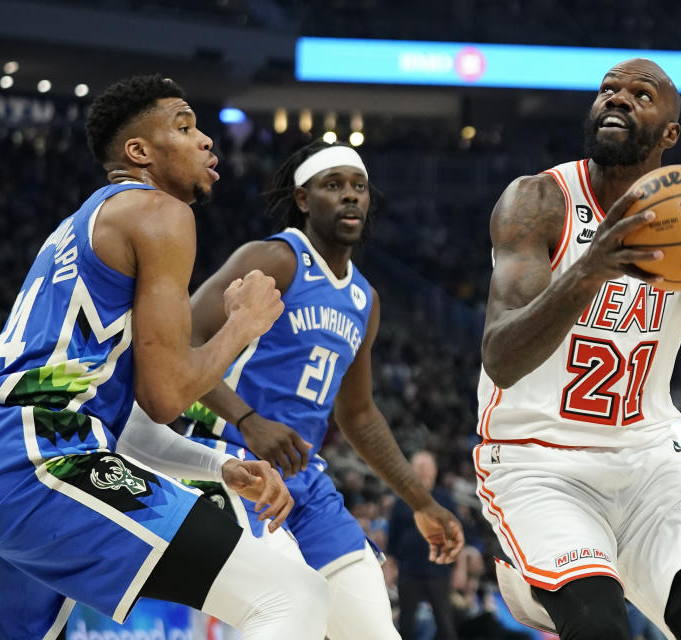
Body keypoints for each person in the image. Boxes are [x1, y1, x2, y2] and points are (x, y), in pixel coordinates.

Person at [0, 74, 329, 639]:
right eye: (184, 127)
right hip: (32, 455)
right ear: (138, 153)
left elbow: (118, 425)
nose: (207, 139)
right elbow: (165, 396)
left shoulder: (80, 225)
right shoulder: (159, 212)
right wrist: (244, 323)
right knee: (289, 595)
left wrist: (218, 466)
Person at [474, 58, 681, 640]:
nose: (617, 99)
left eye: (641, 94)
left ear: (670, 133)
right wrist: (592, 265)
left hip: (649, 465)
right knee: (598, 623)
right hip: (540, 462)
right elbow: (501, 357)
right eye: (608, 90)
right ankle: (538, 584)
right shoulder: (539, 201)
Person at [128, 139, 465, 639]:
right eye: (334, 186)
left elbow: (360, 416)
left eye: (359, 187)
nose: (350, 197)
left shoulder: (364, 299)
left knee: (376, 631)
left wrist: (421, 501)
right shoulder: (276, 259)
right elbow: (176, 343)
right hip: (234, 466)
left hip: (307, 482)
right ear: (304, 199)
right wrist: (248, 419)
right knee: (291, 614)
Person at [389, 450, 459, 640]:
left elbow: (456, 536)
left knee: (445, 623)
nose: (423, 472)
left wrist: (456, 567)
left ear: (435, 471)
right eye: (419, 467)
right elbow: (392, 540)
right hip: (408, 571)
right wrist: (391, 568)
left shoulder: (445, 499)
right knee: (407, 623)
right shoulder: (401, 501)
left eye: (427, 467)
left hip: (438, 570)